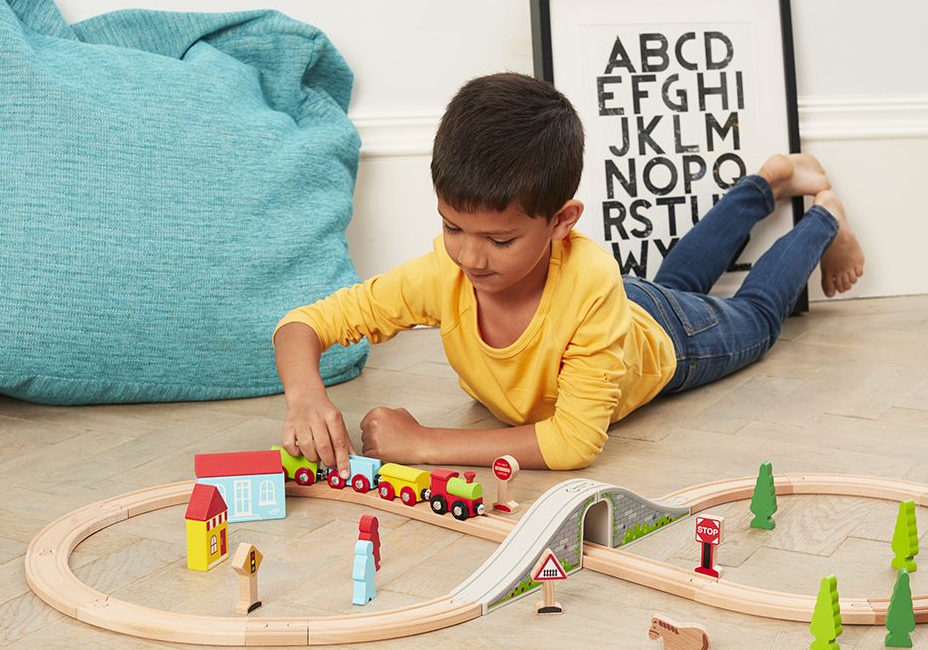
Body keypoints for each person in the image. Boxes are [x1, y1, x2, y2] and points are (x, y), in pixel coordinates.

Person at [273, 73, 864, 474]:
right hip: (621, 310)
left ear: (562, 221)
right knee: (678, 280)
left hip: (666, 341)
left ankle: (823, 221)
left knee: (758, 319)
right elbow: (304, 323)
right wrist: (304, 397)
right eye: (453, 227)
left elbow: (574, 442)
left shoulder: (588, 284)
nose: (471, 257)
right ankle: (766, 182)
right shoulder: (444, 272)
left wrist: (426, 443)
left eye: (499, 240)